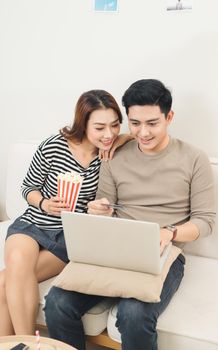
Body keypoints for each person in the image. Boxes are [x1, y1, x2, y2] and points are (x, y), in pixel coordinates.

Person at [44, 79, 215, 350]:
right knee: (56, 303)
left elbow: (205, 221)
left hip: (164, 251)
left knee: (134, 314)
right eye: (134, 123)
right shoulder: (114, 155)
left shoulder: (194, 158)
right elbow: (105, 204)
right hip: (114, 247)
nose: (143, 132)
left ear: (169, 117)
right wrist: (97, 210)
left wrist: (169, 232)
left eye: (152, 123)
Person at [0, 89, 126, 336]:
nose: (108, 134)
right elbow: (28, 187)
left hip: (69, 236)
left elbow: (135, 137)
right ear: (83, 124)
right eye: (100, 127)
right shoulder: (53, 146)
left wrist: (123, 140)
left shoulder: (109, 154)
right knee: (17, 263)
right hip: (33, 224)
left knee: (5, 281)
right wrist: (45, 203)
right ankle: (27, 342)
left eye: (114, 125)